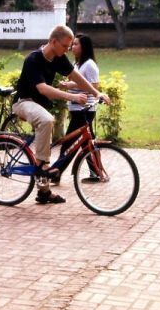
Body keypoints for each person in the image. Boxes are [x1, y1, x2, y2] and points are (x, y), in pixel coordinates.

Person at [12, 25, 110, 204]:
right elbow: (43, 89)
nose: (68, 50)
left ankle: (44, 192)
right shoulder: (33, 59)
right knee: (47, 120)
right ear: (53, 42)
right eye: (66, 46)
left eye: (71, 46)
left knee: (46, 132)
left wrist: (97, 94)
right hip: (23, 102)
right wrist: (72, 96)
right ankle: (43, 167)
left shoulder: (58, 57)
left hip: (39, 105)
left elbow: (77, 77)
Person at [52, 33, 100, 185]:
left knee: (69, 143)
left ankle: (56, 172)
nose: (72, 47)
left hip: (84, 109)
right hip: (76, 108)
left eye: (76, 44)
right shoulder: (77, 63)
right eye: (72, 44)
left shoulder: (89, 65)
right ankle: (96, 172)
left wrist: (70, 85)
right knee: (87, 144)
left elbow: (95, 87)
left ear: (84, 47)